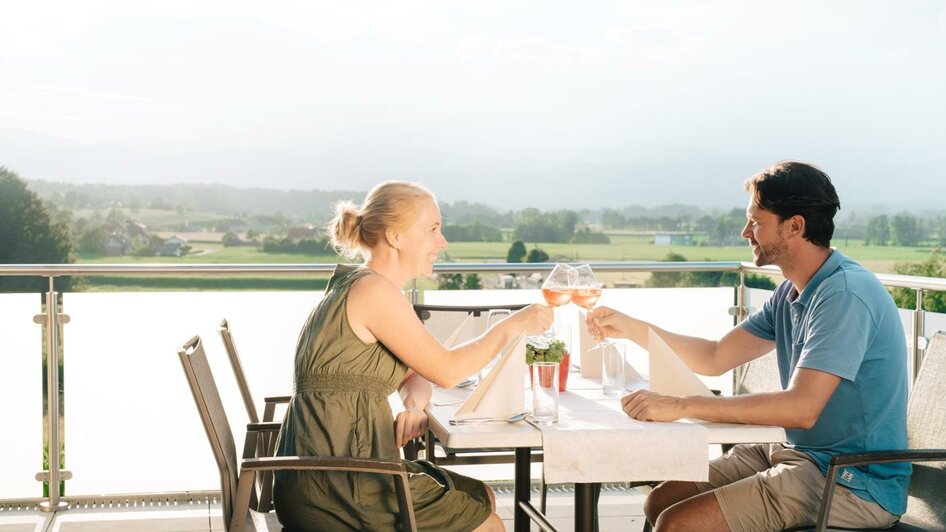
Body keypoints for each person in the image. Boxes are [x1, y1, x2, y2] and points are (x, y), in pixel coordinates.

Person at [588, 161, 910, 532]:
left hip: (852, 481)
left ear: (795, 226)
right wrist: (631, 329)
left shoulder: (844, 295)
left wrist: (681, 406)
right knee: (660, 500)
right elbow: (715, 357)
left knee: (679, 524)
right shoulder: (792, 292)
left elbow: (803, 408)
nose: (745, 232)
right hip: (800, 454)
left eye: (756, 222)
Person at [273, 181, 552, 532]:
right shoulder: (374, 292)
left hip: (337, 468)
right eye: (433, 229)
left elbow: (412, 370)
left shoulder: (363, 285)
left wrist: (414, 404)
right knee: (488, 524)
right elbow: (447, 371)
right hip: (340, 482)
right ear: (395, 237)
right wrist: (513, 324)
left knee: (481, 495)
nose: (442, 241)